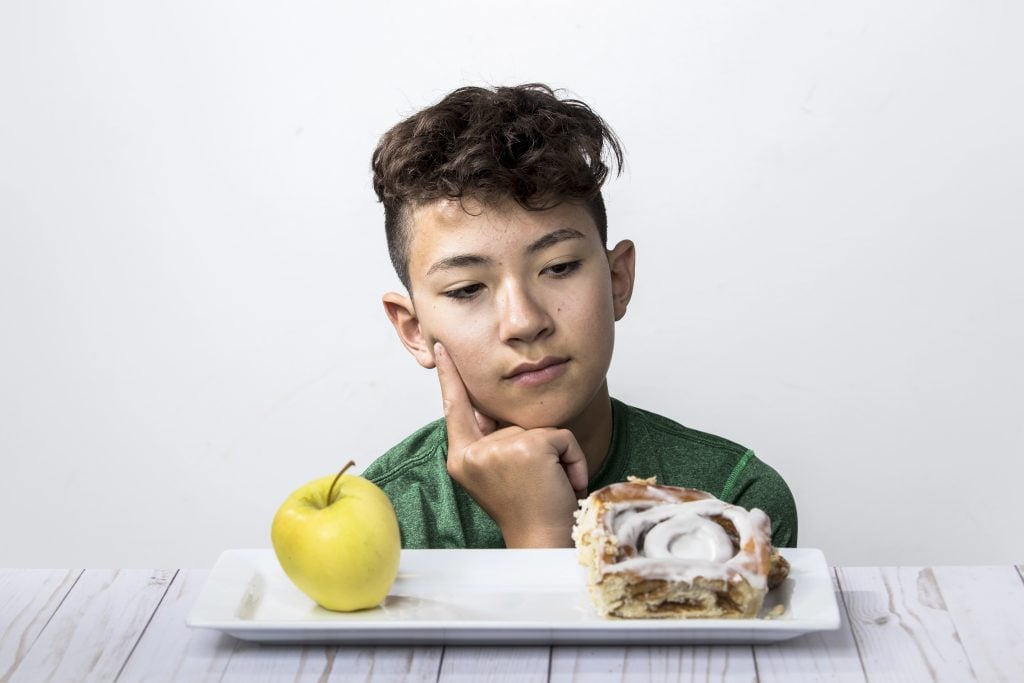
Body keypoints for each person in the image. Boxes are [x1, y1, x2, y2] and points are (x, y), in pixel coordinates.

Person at [361, 83, 797, 549]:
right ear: (413, 331)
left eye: (559, 268)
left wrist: (542, 534)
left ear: (617, 281)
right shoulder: (379, 523)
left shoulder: (734, 503)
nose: (525, 321)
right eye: (467, 289)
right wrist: (537, 532)